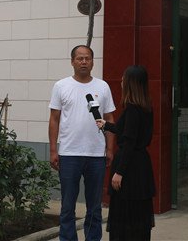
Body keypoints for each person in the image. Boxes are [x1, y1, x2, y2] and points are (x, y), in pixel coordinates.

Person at [49, 45, 116, 241]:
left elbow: (110, 118)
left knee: (94, 207)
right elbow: (54, 119)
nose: (84, 62)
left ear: (93, 62)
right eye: (80, 58)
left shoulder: (102, 87)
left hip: (96, 154)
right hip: (69, 154)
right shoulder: (61, 86)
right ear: (72, 61)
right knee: (68, 206)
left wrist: (110, 148)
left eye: (87, 58)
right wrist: (53, 150)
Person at [96, 65, 155, 241]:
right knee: (138, 213)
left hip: (129, 167)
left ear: (131, 83)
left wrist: (119, 172)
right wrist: (106, 125)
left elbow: (129, 142)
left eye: (124, 78)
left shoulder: (132, 109)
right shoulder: (145, 107)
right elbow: (128, 131)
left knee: (125, 212)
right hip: (141, 165)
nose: (121, 81)